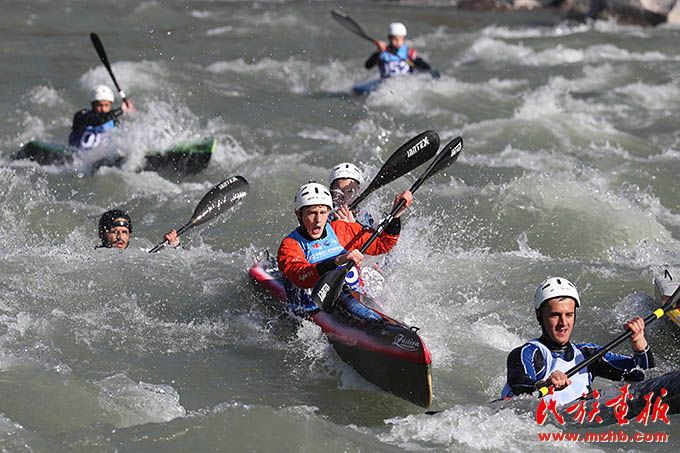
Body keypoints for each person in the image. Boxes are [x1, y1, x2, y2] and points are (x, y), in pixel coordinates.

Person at [501, 277, 655, 407]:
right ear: (539, 316)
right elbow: (520, 384)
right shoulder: (526, 353)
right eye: (555, 315)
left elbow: (645, 377)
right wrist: (545, 384)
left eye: (569, 314)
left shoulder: (588, 354)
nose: (563, 323)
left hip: (574, 420)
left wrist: (639, 342)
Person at [277, 182, 412, 315]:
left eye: (323, 212)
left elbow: (383, 244)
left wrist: (396, 216)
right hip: (318, 306)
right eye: (311, 213)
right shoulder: (290, 245)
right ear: (298, 214)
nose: (318, 219)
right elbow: (301, 278)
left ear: (329, 212)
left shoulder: (342, 230)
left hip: (357, 299)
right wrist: (337, 261)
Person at [68, 85, 135, 150]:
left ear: (110, 105)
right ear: (92, 104)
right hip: (76, 153)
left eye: (106, 105)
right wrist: (121, 110)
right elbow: (99, 120)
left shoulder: (114, 121)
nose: (103, 109)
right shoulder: (82, 116)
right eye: (99, 105)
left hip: (100, 154)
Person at [364, 22, 436, 79]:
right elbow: (368, 66)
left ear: (404, 39)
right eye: (395, 39)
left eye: (400, 39)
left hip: (404, 82)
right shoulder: (382, 53)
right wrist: (379, 52)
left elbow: (425, 66)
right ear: (389, 38)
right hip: (387, 83)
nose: (398, 42)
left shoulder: (409, 52)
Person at [97, 209, 179, 250]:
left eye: (124, 232)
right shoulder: (94, 258)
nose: (120, 237)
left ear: (129, 235)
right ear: (101, 234)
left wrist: (174, 246)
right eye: (114, 232)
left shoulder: (139, 252)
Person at [328, 162, 374, 228]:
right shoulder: (324, 216)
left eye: (350, 191)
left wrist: (353, 225)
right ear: (331, 193)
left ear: (359, 192)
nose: (345, 198)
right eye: (339, 192)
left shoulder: (367, 218)